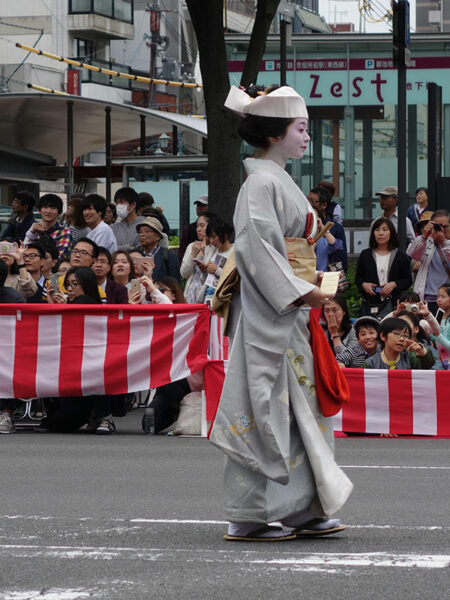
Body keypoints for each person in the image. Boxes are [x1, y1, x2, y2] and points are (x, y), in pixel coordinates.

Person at [209, 84, 352, 541]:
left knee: (298, 410)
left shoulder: (276, 179)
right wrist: (304, 291)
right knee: (264, 406)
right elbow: (256, 251)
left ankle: (300, 508)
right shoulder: (261, 184)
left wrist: (313, 289)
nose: (307, 137)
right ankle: (249, 513)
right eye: (301, 128)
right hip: (273, 311)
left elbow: (281, 250)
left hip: (290, 308)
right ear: (275, 134)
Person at [355, 217, 412, 318]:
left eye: (385, 230)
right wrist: (364, 285)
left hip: (394, 304)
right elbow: (358, 278)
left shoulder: (400, 255)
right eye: (377, 230)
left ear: (391, 232)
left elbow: (408, 280)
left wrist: (394, 284)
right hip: (371, 303)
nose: (381, 233)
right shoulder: (366, 254)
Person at [407, 209, 450, 315]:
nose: (441, 229)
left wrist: (443, 242)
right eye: (437, 226)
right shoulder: (426, 242)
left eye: (444, 226)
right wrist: (425, 236)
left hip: (448, 301)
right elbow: (412, 253)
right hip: (426, 301)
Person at [363, 317, 435, 370]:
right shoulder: (370, 363)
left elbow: (428, 365)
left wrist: (421, 351)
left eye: (406, 336)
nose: (402, 339)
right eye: (397, 334)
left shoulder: (410, 358)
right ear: (383, 336)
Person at [308, 187, 347, 272]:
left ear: (324, 205)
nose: (308, 204)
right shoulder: (303, 227)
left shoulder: (336, 228)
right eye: (307, 200)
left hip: (327, 278)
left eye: (312, 201)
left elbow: (342, 258)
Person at [181, 211, 217, 303]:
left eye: (202, 226)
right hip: (191, 292)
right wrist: (193, 254)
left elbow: (213, 273)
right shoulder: (192, 246)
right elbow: (184, 274)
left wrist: (205, 253)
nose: (198, 229)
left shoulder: (216, 247)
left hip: (207, 292)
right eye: (197, 226)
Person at [24, 193, 72, 260]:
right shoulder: (36, 229)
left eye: (53, 208)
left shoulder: (64, 232)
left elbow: (60, 257)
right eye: (45, 207)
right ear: (39, 210)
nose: (48, 211)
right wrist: (31, 232)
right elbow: (24, 252)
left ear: (59, 212)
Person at [135, 217, 180, 281]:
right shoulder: (134, 254)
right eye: (140, 231)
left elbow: (175, 285)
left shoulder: (169, 257)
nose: (141, 234)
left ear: (158, 236)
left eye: (146, 231)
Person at [202, 220, 234, 304]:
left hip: (222, 298)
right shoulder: (211, 250)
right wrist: (203, 270)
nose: (212, 241)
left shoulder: (234, 252)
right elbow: (204, 279)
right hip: (207, 295)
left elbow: (234, 278)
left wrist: (217, 270)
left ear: (225, 235)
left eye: (214, 236)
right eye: (210, 237)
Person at [178, 194, 209, 262]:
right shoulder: (188, 229)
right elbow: (182, 252)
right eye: (198, 205)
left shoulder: (216, 227)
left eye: (203, 205)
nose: (199, 208)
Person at [311, 207, 343, 272]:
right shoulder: (300, 241)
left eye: (315, 218)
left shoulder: (324, 241)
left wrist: (323, 228)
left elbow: (337, 246)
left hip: (325, 278)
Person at [431, 283, 450, 368]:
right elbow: (435, 338)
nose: (439, 300)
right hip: (438, 360)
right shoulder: (439, 314)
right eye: (438, 296)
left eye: (443, 297)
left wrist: (438, 335)